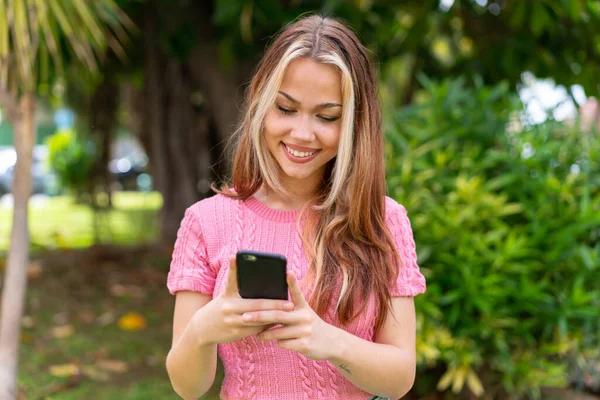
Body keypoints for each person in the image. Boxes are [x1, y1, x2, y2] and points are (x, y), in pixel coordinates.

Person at [166, 14, 426, 400]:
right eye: (285, 109)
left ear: (354, 123)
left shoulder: (383, 221)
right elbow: (188, 387)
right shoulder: (206, 221)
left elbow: (400, 377)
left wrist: (328, 341)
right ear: (260, 103)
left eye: (327, 117)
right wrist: (204, 330)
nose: (302, 134)